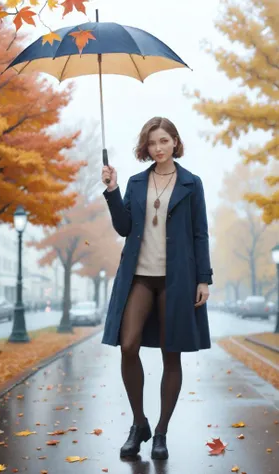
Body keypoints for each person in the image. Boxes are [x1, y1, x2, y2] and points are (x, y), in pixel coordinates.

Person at [101, 117, 213, 460]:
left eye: (164, 140)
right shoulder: (136, 182)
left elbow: (200, 233)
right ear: (146, 146)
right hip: (139, 276)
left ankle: (161, 431)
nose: (158, 148)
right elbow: (123, 227)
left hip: (177, 279)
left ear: (175, 142)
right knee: (128, 344)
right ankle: (140, 424)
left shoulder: (191, 184)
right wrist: (111, 190)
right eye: (152, 143)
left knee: (171, 351)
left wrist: (204, 278)